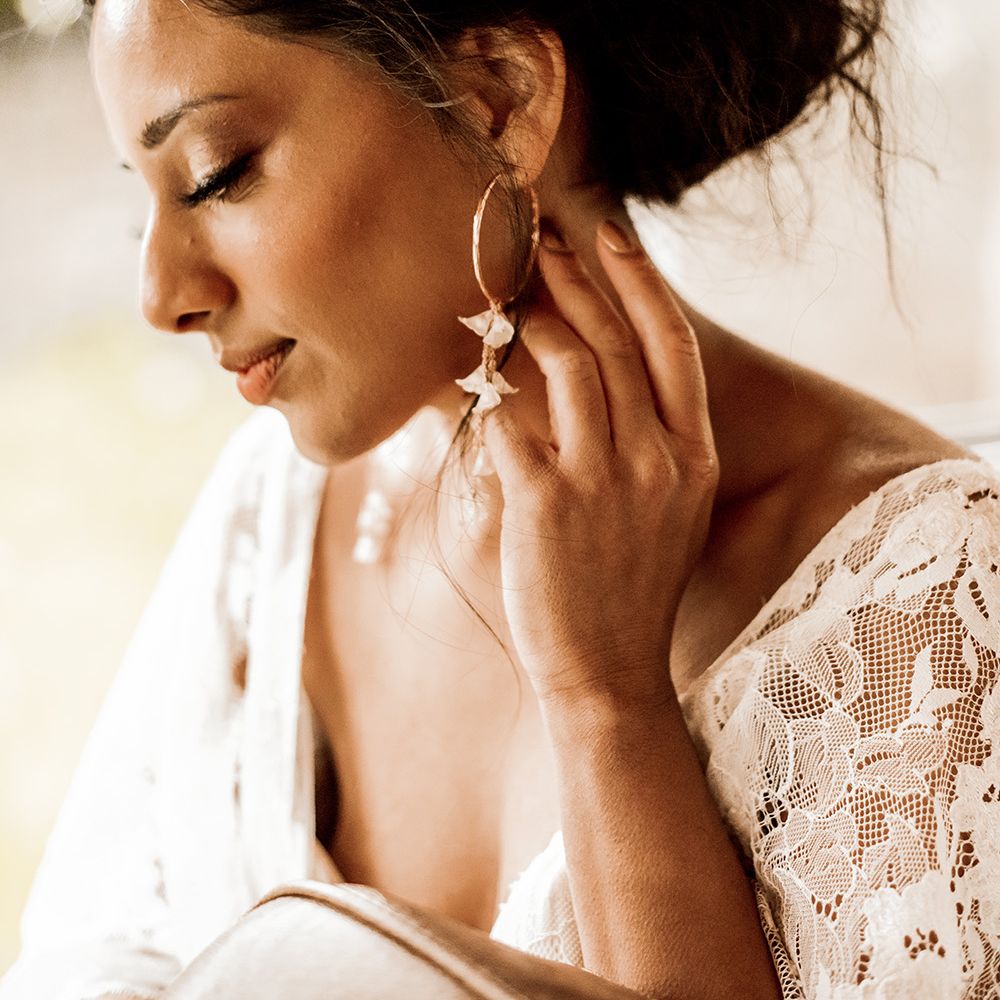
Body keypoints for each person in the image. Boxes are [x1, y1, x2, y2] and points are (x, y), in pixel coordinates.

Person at [3, 0, 999, 998]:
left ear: (499, 99)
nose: (159, 296)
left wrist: (606, 699)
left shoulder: (929, 604)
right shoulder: (274, 516)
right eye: (145, 202)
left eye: (217, 174)